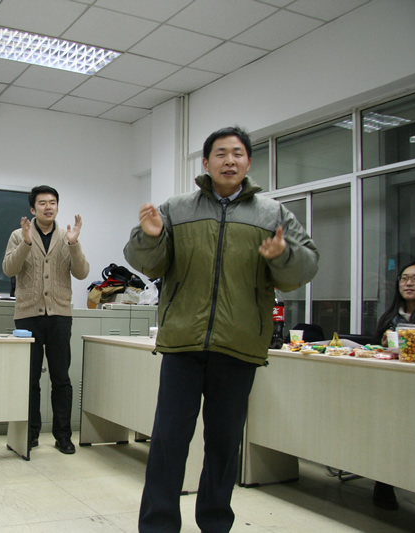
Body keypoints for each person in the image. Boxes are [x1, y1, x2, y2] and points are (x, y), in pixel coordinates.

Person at [124, 126, 319, 533]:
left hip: (238, 345)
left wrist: (283, 255)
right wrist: (151, 236)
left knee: (224, 444)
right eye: (220, 153)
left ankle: (215, 523)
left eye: (237, 153)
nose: (229, 160)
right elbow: (148, 263)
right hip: (183, 343)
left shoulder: (273, 215)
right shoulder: (177, 209)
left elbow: (303, 270)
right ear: (206, 162)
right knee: (168, 441)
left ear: (248, 161)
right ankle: (158, 525)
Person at [2, 185, 89, 454]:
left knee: (61, 378)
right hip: (28, 316)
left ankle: (63, 436)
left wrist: (73, 244)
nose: (48, 207)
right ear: (33, 208)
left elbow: (82, 273)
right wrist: (27, 243)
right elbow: (8, 269)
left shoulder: (67, 236)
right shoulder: (19, 235)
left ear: (57, 207)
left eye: (52, 202)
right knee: (30, 379)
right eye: (42, 203)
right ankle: (30, 434)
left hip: (59, 316)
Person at [371, 260, 415, 510]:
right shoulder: (391, 315)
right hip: (392, 386)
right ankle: (383, 483)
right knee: (387, 432)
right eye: (404, 278)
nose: (409, 283)